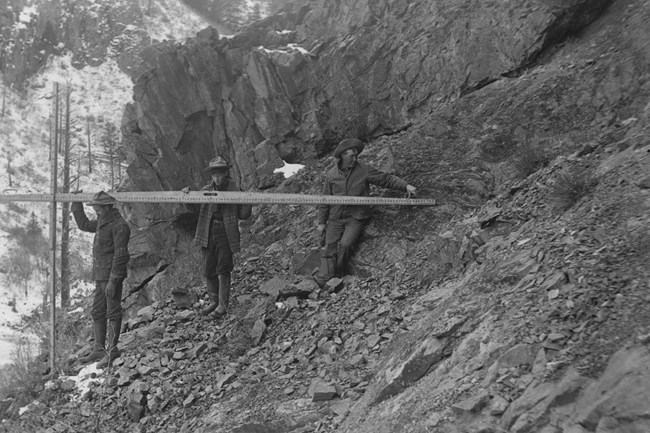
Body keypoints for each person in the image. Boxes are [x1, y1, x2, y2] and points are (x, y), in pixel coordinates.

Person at [316, 138, 416, 282]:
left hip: (355, 217)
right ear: (343, 155)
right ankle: (324, 279)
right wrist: (321, 222)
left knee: (345, 244)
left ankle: (337, 275)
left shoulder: (364, 170)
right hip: (335, 217)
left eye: (356, 156)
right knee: (329, 246)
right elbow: (324, 199)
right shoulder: (331, 174)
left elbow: (385, 179)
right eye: (351, 156)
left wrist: (405, 186)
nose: (355, 159)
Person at [183, 156, 252, 317]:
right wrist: (186, 196)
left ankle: (222, 305)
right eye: (214, 174)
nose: (217, 178)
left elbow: (244, 215)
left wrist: (248, 201)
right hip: (208, 231)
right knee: (209, 268)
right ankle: (213, 301)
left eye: (220, 174)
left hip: (226, 232)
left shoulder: (235, 190)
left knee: (223, 268)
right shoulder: (206, 189)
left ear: (226, 173)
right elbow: (192, 208)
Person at [72, 191, 130, 369]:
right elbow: (83, 224)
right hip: (100, 276)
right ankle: (99, 349)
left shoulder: (120, 226)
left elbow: (121, 256)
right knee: (98, 312)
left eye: (96, 207)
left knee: (113, 313)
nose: (95, 210)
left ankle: (112, 351)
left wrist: (113, 281)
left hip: (111, 276)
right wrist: (76, 203)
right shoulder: (102, 222)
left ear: (105, 207)